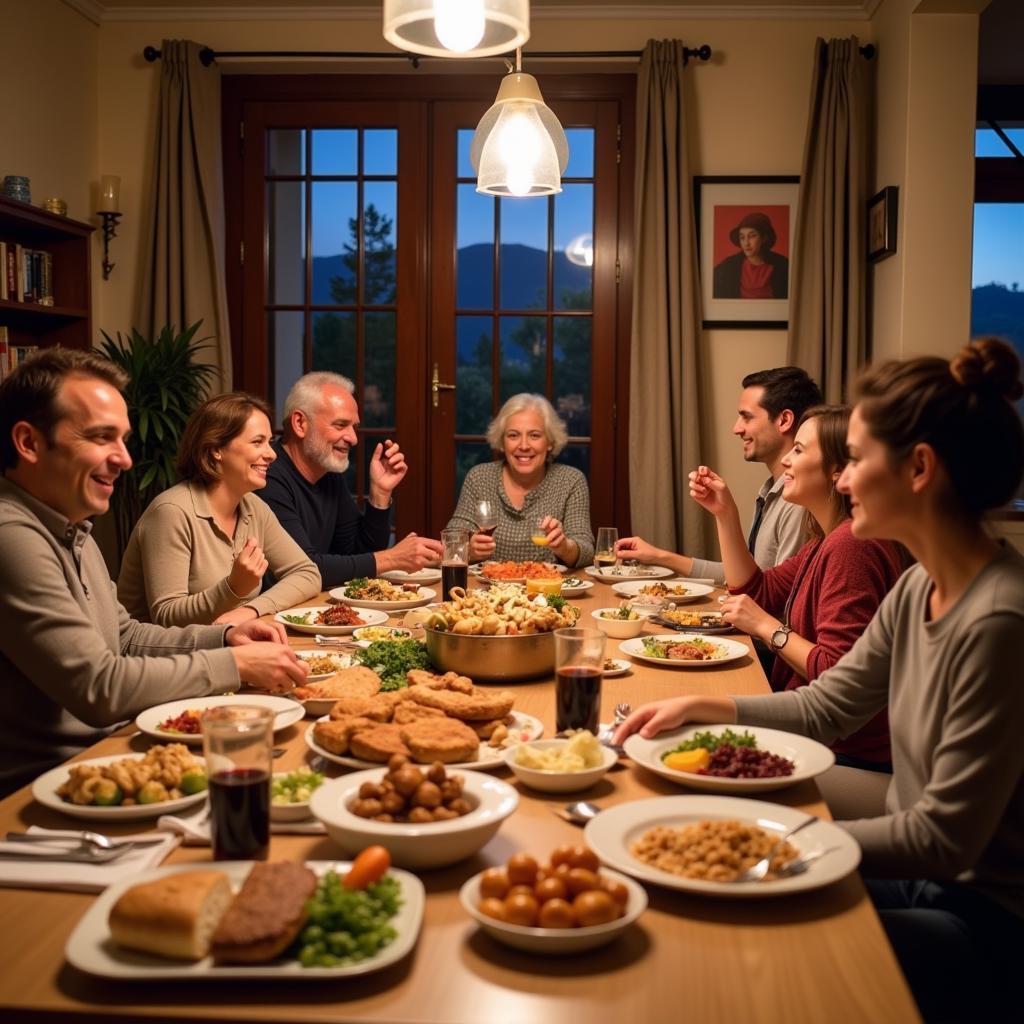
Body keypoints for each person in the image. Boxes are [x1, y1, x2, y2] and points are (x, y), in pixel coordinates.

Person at [613, 339, 1024, 1023]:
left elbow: (944, 840)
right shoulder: (922, 583)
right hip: (924, 883)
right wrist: (702, 705)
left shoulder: (998, 618)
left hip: (979, 921)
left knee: (742, 951)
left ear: (918, 468)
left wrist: (764, 841)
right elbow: (827, 706)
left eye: (856, 460)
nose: (841, 478)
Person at [0, 350, 308, 797]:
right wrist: (231, 663)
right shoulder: (13, 536)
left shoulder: (70, 526)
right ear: (28, 443)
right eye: (101, 437)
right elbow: (99, 686)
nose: (124, 459)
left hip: (110, 754)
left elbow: (124, 637)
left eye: (123, 439)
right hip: (47, 792)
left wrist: (225, 638)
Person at [688, 405, 905, 768]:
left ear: (839, 470)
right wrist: (725, 514)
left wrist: (764, 626)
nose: (786, 460)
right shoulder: (824, 540)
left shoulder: (852, 545)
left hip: (848, 754)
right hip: (822, 740)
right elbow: (758, 592)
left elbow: (835, 671)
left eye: (800, 450)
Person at [117, 393, 321, 627]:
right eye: (257, 442)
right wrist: (232, 588)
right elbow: (165, 616)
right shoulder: (171, 512)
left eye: (269, 441)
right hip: (163, 659)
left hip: (226, 645)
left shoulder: (254, 507)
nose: (272, 453)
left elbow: (307, 574)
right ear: (216, 449)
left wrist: (251, 610)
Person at [616, 367, 822, 584]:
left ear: (784, 420)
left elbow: (771, 593)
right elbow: (747, 575)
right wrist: (658, 556)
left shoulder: (798, 502)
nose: (736, 428)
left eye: (746, 417)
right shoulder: (771, 491)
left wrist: (726, 514)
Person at [261, 372, 443, 589]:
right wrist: (392, 558)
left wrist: (380, 494)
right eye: (340, 425)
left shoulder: (328, 474)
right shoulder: (267, 476)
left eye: (354, 427)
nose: (353, 438)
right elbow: (303, 568)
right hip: (273, 616)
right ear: (300, 423)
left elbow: (358, 552)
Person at [446, 393, 595, 567]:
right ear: (502, 441)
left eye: (534, 435)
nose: (523, 446)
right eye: (513, 435)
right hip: (488, 591)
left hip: (545, 590)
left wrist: (565, 547)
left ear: (550, 442)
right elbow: (451, 543)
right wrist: (469, 550)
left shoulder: (571, 481)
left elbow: (587, 553)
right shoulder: (479, 478)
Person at [712, 212, 790, 300]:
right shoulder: (729, 266)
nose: (746, 243)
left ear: (764, 238)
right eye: (742, 237)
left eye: (752, 236)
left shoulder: (783, 265)